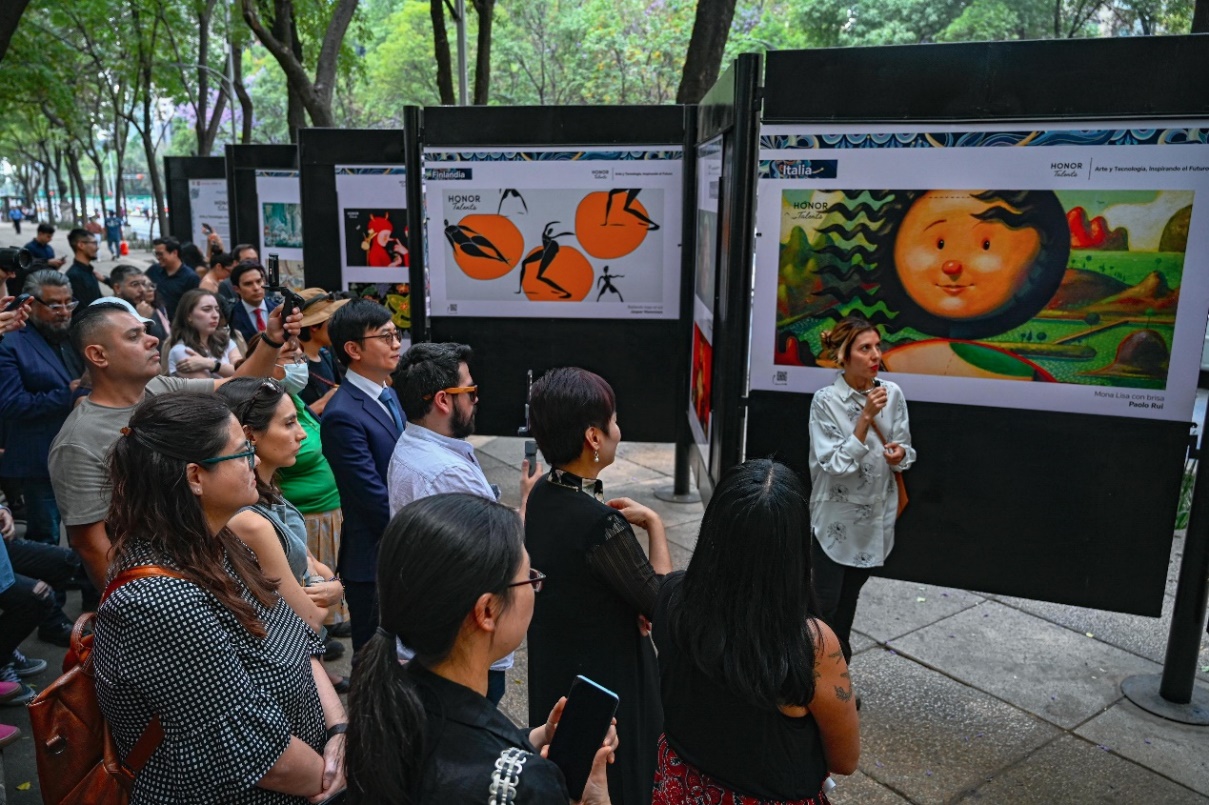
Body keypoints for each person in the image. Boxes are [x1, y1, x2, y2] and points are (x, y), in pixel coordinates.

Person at [93, 392, 347, 803]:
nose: (254, 460)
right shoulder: (159, 601)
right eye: (243, 452)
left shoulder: (219, 541)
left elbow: (299, 640)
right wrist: (338, 779)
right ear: (196, 477)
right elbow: (260, 756)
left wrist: (338, 730)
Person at [345, 493, 616, 805]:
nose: (534, 588)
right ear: (487, 611)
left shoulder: (384, 707)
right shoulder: (527, 785)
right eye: (528, 577)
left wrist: (534, 738)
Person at [48, 299, 301, 590]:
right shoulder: (77, 441)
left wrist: (271, 339)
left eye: (146, 331)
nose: (153, 339)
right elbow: (91, 545)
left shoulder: (158, 389)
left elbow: (237, 387)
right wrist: (136, 603)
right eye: (134, 336)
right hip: (154, 585)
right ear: (98, 355)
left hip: (203, 563)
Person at [651, 459, 860, 804]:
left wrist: (655, 527)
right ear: (795, 548)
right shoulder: (810, 644)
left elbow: (664, 584)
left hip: (680, 789)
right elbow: (845, 760)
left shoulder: (675, 599)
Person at [524, 367, 671, 805]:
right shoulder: (600, 524)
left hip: (559, 670)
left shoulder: (542, 494)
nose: (618, 431)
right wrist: (655, 525)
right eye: (614, 421)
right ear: (593, 437)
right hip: (608, 684)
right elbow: (663, 603)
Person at [387, 342, 541, 705]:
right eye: (469, 390)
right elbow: (494, 551)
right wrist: (526, 503)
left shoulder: (414, 444)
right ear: (443, 400)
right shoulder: (446, 472)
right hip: (465, 649)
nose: (476, 399)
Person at [218, 377, 349, 691]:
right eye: (289, 424)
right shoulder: (248, 519)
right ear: (250, 435)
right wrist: (331, 591)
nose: (302, 433)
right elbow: (309, 618)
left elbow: (312, 564)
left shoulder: (270, 489)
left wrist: (332, 584)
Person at [809, 315, 915, 662]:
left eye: (877, 346)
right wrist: (865, 418)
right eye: (865, 348)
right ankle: (810, 673)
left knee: (849, 599)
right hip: (834, 519)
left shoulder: (892, 394)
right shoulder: (826, 401)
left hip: (873, 517)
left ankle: (837, 671)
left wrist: (900, 454)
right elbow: (835, 465)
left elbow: (905, 450)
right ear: (844, 355)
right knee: (823, 604)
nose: (876, 355)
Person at [0, 270, 89, 645]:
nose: (64, 311)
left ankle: (94, 610)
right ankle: (51, 620)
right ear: (30, 304)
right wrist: (68, 394)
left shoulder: (72, 336)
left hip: (80, 453)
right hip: (37, 460)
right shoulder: (10, 343)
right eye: (55, 304)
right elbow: (11, 403)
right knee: (46, 540)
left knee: (87, 534)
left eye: (69, 303)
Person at [320, 299, 403, 651]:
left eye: (396, 335)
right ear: (353, 349)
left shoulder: (388, 393)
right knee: (373, 660)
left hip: (400, 549)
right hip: (373, 560)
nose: (396, 344)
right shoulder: (343, 414)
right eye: (385, 337)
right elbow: (372, 499)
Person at [267, 338, 350, 636]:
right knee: (310, 627)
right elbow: (310, 612)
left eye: (301, 359)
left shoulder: (295, 400)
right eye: (290, 358)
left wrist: (333, 586)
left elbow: (318, 570)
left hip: (326, 511)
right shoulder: (255, 519)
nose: (301, 434)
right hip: (309, 512)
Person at [295, 288, 348, 416]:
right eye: (332, 320)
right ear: (314, 326)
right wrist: (323, 403)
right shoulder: (294, 365)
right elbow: (288, 419)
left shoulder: (325, 355)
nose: (337, 326)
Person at [167, 289, 242, 378]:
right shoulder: (181, 350)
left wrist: (210, 364)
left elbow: (243, 371)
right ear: (188, 316)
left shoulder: (224, 340)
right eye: (206, 309)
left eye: (217, 310)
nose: (215, 315)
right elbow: (211, 385)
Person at [109, 264, 168, 344]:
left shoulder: (146, 307)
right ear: (118, 288)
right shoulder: (110, 314)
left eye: (143, 284)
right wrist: (141, 320)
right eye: (135, 284)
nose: (142, 289)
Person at [148, 237, 200, 319]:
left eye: (160, 254)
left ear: (174, 253)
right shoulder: (153, 270)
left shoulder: (190, 277)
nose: (158, 257)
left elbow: (193, 305)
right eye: (156, 254)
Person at [229, 261, 279, 342]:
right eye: (248, 284)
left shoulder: (278, 310)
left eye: (259, 281)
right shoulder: (232, 316)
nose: (256, 288)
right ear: (236, 289)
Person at [65, 228, 104, 317]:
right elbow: (82, 312)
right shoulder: (74, 276)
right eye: (94, 243)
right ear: (81, 245)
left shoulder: (89, 271)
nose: (97, 247)